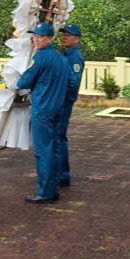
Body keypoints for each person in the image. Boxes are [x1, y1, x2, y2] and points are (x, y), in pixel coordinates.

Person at [15, 21, 70, 203]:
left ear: (49, 39)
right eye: (35, 36)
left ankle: (46, 192)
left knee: (43, 150)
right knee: (53, 148)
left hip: (43, 109)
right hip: (57, 108)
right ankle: (52, 187)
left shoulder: (41, 58)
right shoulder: (61, 58)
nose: (36, 40)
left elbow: (24, 82)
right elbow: (70, 83)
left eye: (41, 37)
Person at [57, 23, 85, 187]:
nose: (64, 37)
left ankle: (63, 176)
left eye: (68, 35)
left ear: (77, 39)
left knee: (60, 138)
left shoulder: (74, 57)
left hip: (64, 102)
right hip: (62, 100)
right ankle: (61, 174)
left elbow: (73, 82)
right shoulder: (67, 54)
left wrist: (59, 94)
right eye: (64, 34)